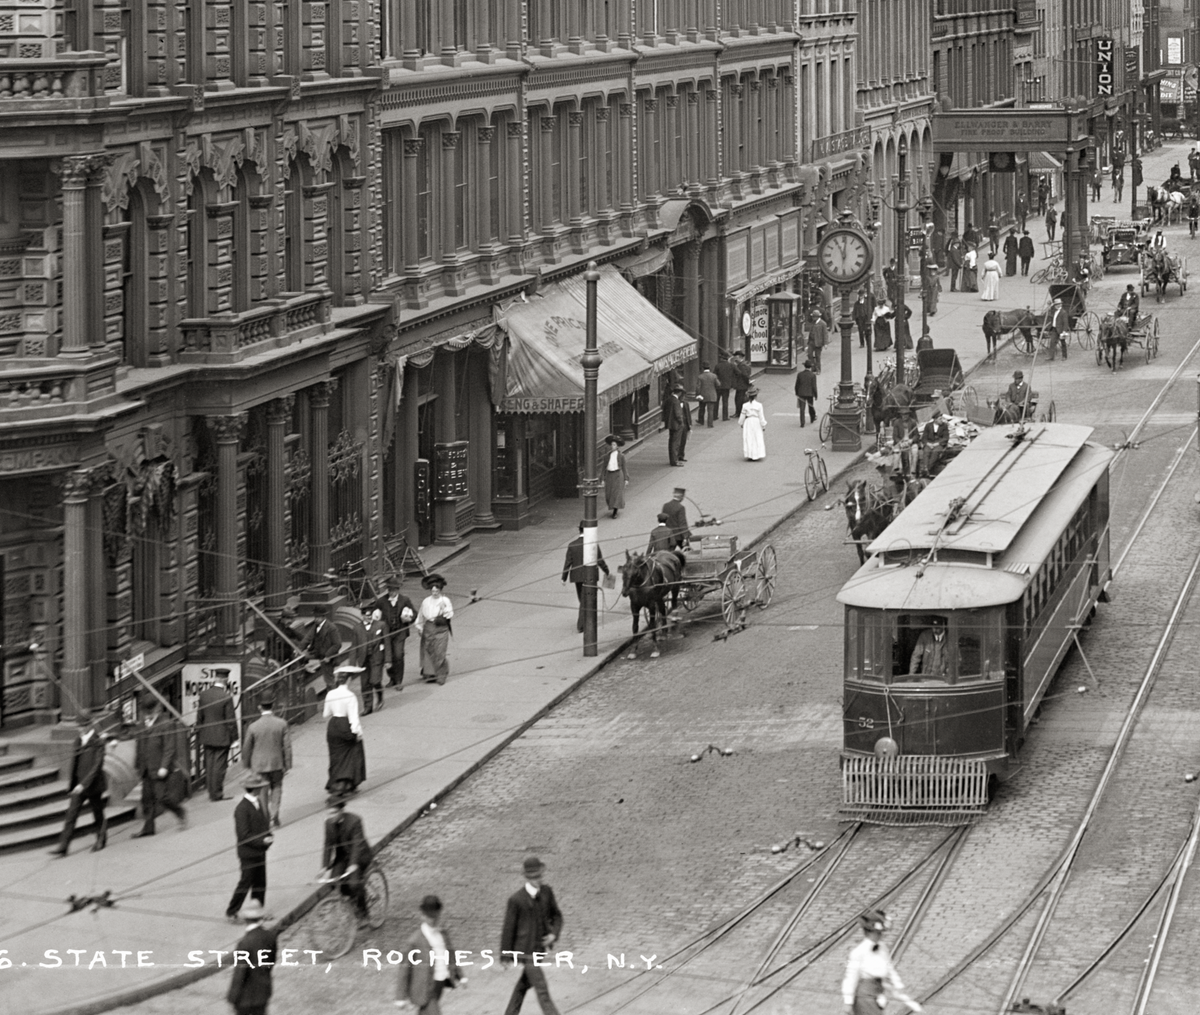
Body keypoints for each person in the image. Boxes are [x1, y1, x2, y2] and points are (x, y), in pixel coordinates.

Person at [500, 856, 564, 1015]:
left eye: (540, 876)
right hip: (526, 952)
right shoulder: (516, 900)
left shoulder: (547, 892)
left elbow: (557, 916)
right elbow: (509, 928)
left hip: (539, 950)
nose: (538, 880)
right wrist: (505, 955)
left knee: (523, 985)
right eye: (534, 877)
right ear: (527, 878)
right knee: (542, 989)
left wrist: (553, 935)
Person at [49, 711, 108, 856]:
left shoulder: (98, 741)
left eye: (83, 726)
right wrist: (75, 784)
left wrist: (84, 784)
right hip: (78, 786)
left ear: (90, 725)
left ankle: (101, 838)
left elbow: (96, 767)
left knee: (98, 813)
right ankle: (64, 845)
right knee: (71, 815)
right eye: (80, 727)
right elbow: (75, 764)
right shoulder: (78, 741)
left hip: (92, 785)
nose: (81, 729)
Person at [842, 909, 922, 1014]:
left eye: (880, 932)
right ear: (869, 932)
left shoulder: (882, 947)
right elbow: (851, 977)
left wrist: (897, 984)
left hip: (878, 991)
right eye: (877, 932)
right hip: (865, 994)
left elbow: (889, 967)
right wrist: (848, 1001)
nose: (880, 935)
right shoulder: (858, 952)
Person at [396, 895, 466, 1013]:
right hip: (424, 987)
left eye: (435, 916)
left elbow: (451, 955)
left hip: (439, 983)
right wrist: (400, 996)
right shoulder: (414, 940)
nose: (433, 920)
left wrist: (460, 975)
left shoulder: (442, 934)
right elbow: (404, 968)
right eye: (430, 917)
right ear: (422, 915)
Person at [131, 696, 187, 838]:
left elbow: (169, 748)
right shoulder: (141, 725)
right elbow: (139, 745)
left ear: (157, 709)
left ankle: (179, 811)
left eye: (150, 711)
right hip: (145, 768)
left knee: (162, 797)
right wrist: (138, 765)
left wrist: (164, 766)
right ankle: (148, 828)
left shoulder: (166, 724)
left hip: (159, 768)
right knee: (146, 799)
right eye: (145, 712)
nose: (148, 714)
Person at [226, 773, 274, 922]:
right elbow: (243, 835)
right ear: (254, 789)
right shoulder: (242, 809)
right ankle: (232, 911)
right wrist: (263, 840)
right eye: (259, 788)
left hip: (259, 851)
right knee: (246, 882)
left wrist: (268, 835)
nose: (261, 790)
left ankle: (258, 910)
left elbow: (263, 824)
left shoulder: (257, 803)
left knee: (260, 882)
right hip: (248, 853)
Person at [319, 794, 372, 925]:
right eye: (328, 813)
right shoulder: (328, 824)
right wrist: (324, 866)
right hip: (342, 857)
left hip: (359, 856)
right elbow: (328, 845)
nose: (330, 816)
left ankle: (364, 914)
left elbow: (357, 844)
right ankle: (355, 898)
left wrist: (353, 864)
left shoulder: (354, 821)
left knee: (354, 884)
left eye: (333, 813)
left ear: (341, 811)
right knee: (335, 883)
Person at [243, 698, 291, 828]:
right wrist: (288, 764)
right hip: (277, 763)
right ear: (273, 705)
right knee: (277, 788)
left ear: (260, 707)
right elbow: (287, 746)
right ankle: (275, 813)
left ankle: (266, 817)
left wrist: (247, 764)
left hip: (259, 765)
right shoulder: (282, 724)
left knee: (262, 791)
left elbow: (247, 747)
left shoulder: (253, 726)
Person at [226, 900, 279, 1015]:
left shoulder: (244, 943)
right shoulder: (270, 936)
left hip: (245, 998)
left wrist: (233, 997)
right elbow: (272, 961)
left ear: (245, 919)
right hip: (263, 993)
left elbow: (240, 973)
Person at [323, 665, 367, 793]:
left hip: (332, 725)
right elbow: (354, 718)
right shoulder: (350, 696)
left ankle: (335, 782)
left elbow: (326, 714)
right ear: (348, 680)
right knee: (354, 749)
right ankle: (348, 782)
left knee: (335, 755)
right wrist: (358, 733)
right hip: (344, 723)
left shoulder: (330, 693)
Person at [561, 523, 610, 633]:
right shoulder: (592, 544)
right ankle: (581, 624)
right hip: (591, 576)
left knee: (582, 598)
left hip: (577, 577)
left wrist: (563, 577)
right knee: (586, 599)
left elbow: (568, 562)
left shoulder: (572, 545)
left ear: (579, 530)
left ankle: (586, 620)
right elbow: (600, 560)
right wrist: (607, 571)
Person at [197, 670, 237, 802]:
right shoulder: (226, 697)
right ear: (225, 680)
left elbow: (200, 716)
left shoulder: (204, 695)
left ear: (215, 679)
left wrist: (200, 731)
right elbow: (230, 720)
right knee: (219, 766)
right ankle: (217, 793)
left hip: (207, 735)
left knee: (209, 764)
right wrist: (235, 738)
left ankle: (210, 791)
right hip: (222, 736)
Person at [374, 576, 416, 689]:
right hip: (387, 633)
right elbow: (375, 614)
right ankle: (392, 678)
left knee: (398, 655)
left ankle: (399, 681)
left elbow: (414, 614)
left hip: (400, 632)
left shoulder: (405, 600)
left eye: (394, 590)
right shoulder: (381, 601)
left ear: (398, 590)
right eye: (390, 590)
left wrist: (408, 618)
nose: (392, 592)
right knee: (389, 656)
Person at [415, 574, 454, 685]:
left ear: (440, 590)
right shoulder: (426, 601)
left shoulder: (445, 600)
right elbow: (421, 615)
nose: (434, 593)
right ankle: (430, 673)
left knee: (440, 651)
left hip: (441, 627)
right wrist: (419, 626)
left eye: (436, 591)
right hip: (428, 627)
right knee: (429, 649)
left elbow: (450, 614)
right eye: (433, 591)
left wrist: (444, 609)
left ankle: (441, 674)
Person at [301, 604, 343, 692]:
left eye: (318, 617)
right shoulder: (315, 626)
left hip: (327, 656)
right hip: (316, 652)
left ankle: (332, 694)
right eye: (315, 616)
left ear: (323, 616)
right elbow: (308, 638)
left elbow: (337, 644)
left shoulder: (331, 628)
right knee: (301, 657)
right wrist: (299, 649)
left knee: (329, 679)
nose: (316, 619)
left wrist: (328, 655)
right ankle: (304, 670)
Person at [362, 607, 390, 715]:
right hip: (363, 660)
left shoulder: (381, 625)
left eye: (370, 615)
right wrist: (352, 664)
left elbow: (387, 643)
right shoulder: (357, 628)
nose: (368, 617)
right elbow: (354, 646)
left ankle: (380, 696)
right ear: (363, 616)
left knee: (375, 681)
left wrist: (388, 660)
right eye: (366, 616)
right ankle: (367, 707)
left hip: (377, 658)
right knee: (365, 684)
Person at [602, 434, 628, 516]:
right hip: (610, 475)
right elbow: (604, 467)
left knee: (617, 493)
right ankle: (612, 506)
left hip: (618, 475)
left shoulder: (621, 456)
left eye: (614, 445)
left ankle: (615, 511)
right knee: (609, 493)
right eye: (611, 444)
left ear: (617, 446)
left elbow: (624, 467)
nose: (612, 446)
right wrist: (602, 479)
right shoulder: (607, 456)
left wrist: (626, 479)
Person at [739, 386, 767, 461]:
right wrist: (763, 425)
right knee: (757, 437)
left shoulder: (745, 405)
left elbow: (742, 415)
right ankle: (757, 454)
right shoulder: (759, 405)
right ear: (756, 396)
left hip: (748, 421)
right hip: (756, 421)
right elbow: (761, 416)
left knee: (749, 437)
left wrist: (741, 423)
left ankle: (749, 454)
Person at [919, 411, 951, 478]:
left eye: (941, 418)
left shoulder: (944, 426)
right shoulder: (928, 426)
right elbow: (924, 437)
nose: (941, 420)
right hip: (929, 443)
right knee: (926, 452)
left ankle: (927, 469)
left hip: (939, 444)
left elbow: (946, 438)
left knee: (935, 453)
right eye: (940, 419)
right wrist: (928, 443)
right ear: (935, 419)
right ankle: (925, 468)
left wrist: (937, 443)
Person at [662, 383, 684, 467]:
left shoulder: (669, 399)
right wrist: (681, 422)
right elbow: (678, 414)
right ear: (680, 393)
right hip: (676, 424)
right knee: (675, 443)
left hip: (670, 424)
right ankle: (674, 460)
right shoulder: (676, 401)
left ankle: (672, 459)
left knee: (671, 442)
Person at [794, 360, 818, 427]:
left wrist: (797, 393)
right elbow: (814, 386)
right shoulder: (813, 375)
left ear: (804, 366)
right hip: (810, 393)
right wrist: (816, 395)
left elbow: (797, 385)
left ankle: (802, 423)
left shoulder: (800, 374)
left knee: (802, 408)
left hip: (801, 393)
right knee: (810, 406)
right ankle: (812, 418)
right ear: (810, 367)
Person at [673, 383, 693, 463]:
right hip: (678, 424)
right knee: (678, 441)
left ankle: (681, 455)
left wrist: (689, 424)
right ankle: (676, 456)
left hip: (684, 424)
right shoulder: (675, 402)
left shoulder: (685, 403)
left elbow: (688, 414)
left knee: (683, 441)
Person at [714, 353, 736, 421]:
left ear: (721, 359)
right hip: (727, 386)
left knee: (716, 401)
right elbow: (738, 372)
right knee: (725, 401)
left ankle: (715, 416)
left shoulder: (717, 366)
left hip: (718, 386)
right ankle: (725, 416)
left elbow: (714, 375)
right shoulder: (731, 365)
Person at [730, 350, 751, 417]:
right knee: (740, 399)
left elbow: (744, 375)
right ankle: (740, 412)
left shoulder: (741, 365)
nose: (735, 358)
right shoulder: (744, 364)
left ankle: (738, 413)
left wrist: (748, 382)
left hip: (741, 385)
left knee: (738, 399)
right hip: (742, 385)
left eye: (736, 357)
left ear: (739, 357)